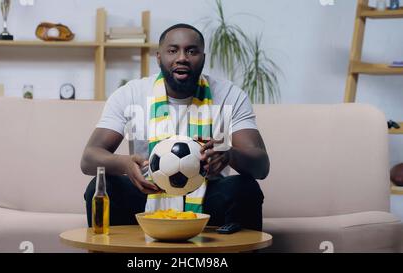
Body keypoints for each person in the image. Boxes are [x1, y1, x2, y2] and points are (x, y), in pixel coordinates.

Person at [81, 23, 269, 231]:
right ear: (159, 57)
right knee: (101, 187)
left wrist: (229, 154)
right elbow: (89, 158)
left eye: (191, 51)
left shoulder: (230, 95)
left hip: (207, 197)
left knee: (245, 188)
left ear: (203, 59)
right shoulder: (131, 94)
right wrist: (125, 164)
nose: (182, 58)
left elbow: (261, 166)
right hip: (147, 192)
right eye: (173, 50)